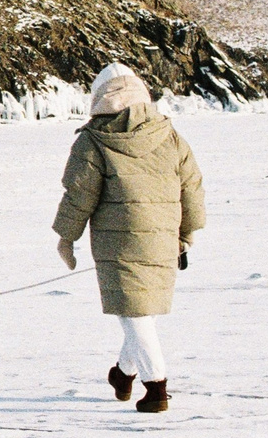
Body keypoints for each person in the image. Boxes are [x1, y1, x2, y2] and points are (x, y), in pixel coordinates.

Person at [53, 62, 204, 414]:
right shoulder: (169, 135)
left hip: (118, 242)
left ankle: (156, 388)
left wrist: (66, 237)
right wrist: (188, 232)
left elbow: (78, 193)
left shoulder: (93, 139)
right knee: (139, 312)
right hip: (164, 238)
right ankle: (123, 375)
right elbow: (192, 186)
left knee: (133, 315)